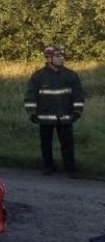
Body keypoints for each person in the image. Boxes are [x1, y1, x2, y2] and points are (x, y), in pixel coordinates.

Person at [23, 45, 85, 177]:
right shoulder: (38, 76)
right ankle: (48, 166)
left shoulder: (71, 75)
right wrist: (31, 113)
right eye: (57, 56)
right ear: (49, 58)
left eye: (62, 56)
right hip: (45, 117)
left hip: (65, 116)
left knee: (68, 144)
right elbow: (30, 95)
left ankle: (71, 169)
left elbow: (78, 95)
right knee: (46, 144)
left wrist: (77, 110)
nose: (61, 58)